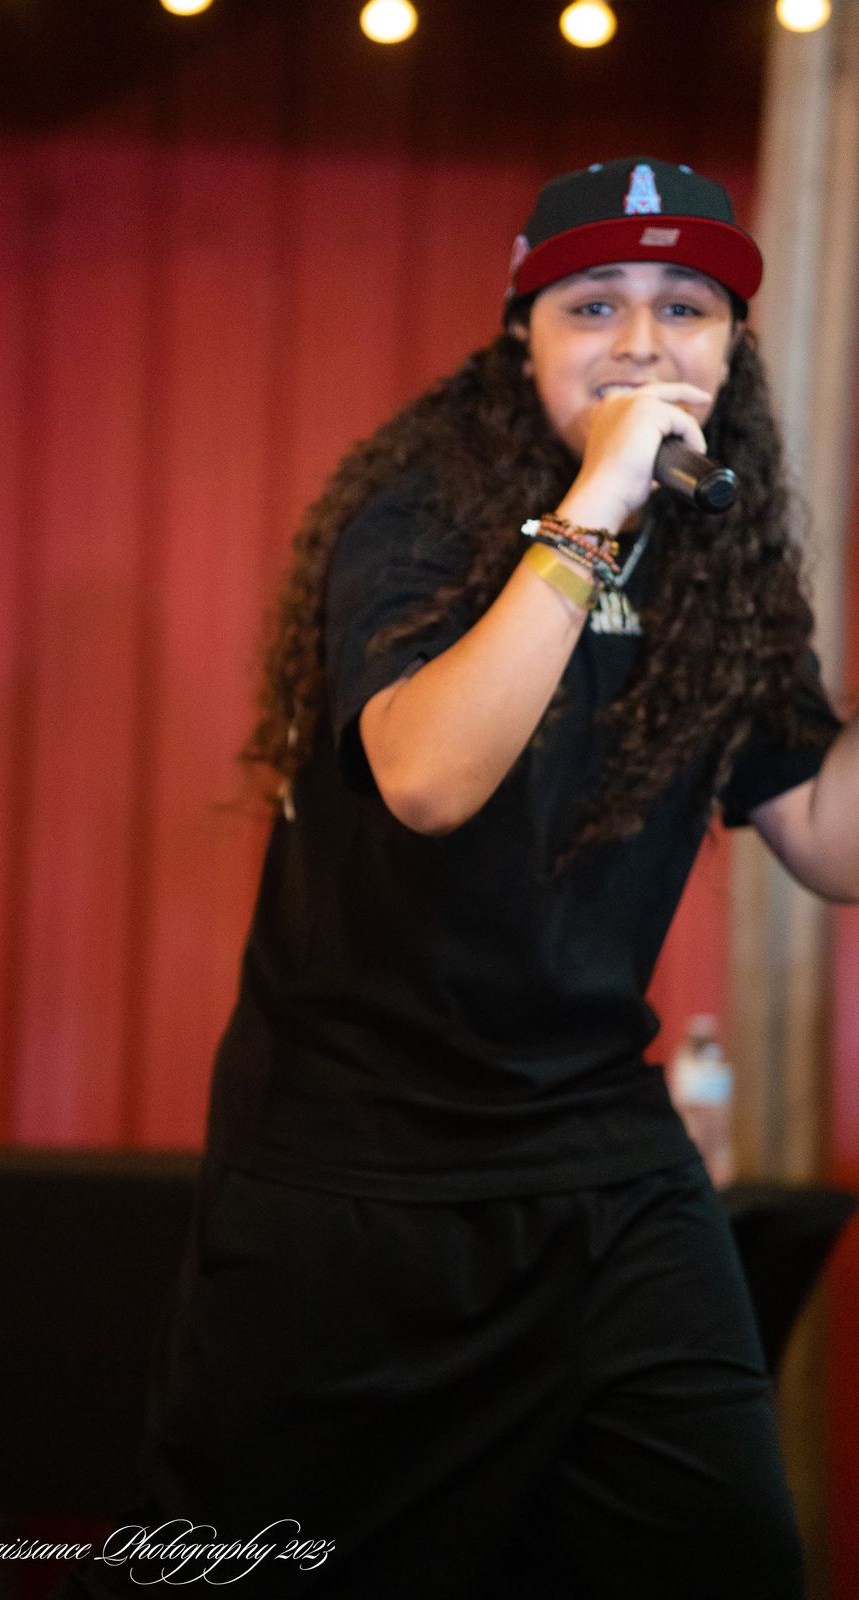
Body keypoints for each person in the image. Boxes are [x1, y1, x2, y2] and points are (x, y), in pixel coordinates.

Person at [56, 158, 857, 1599]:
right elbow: (428, 778)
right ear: (520, 327)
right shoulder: (423, 508)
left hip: (602, 1159)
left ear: (733, 345)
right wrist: (596, 506)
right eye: (593, 304)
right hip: (358, 1173)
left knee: (726, 1559)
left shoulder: (723, 560)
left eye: (685, 308)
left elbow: (826, 836)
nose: (641, 343)